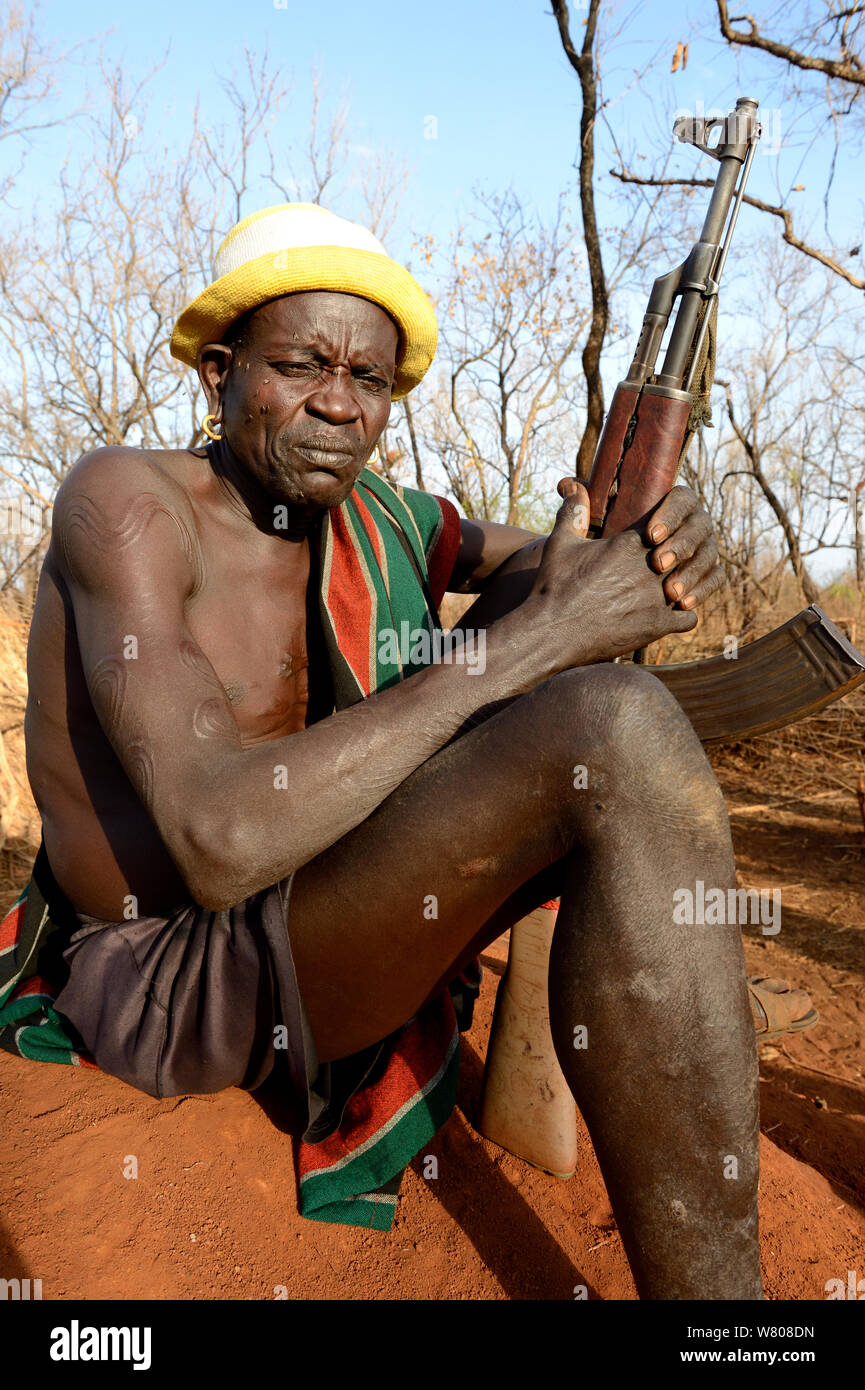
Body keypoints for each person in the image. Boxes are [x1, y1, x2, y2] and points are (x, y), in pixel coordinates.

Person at [22, 203, 803, 1298]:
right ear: (218, 372)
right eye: (300, 364)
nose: (339, 404)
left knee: (591, 684)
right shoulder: (127, 505)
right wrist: (541, 634)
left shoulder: (377, 514)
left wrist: (653, 546)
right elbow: (220, 841)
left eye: (371, 381)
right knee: (610, 718)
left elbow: (546, 561)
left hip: (320, 902)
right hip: (175, 973)